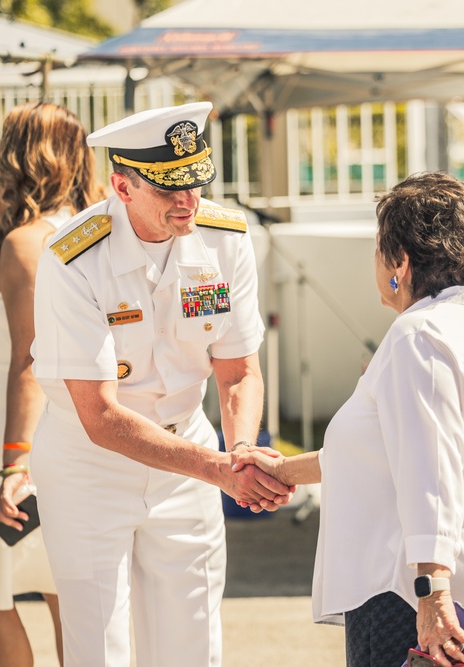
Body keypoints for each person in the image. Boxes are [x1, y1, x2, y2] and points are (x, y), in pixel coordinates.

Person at [29, 101, 293, 666]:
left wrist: (240, 451)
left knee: (192, 642)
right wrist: (218, 469)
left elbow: (239, 369)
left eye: (195, 183)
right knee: (101, 646)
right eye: (170, 189)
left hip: (190, 452)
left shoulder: (225, 239)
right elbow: (99, 416)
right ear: (121, 187)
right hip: (89, 465)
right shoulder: (74, 258)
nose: (188, 202)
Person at [236, 173, 464, 667]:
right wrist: (282, 472)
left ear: (400, 262)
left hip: (417, 596)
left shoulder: (418, 335)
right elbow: (386, 451)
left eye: (379, 249)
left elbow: (428, 469)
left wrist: (432, 591)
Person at [0, 101, 103, 666]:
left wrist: (14, 463)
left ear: (19, 156)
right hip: (69, 431)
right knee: (68, 597)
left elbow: (30, 361)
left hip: (18, 442)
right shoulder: (92, 227)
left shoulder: (26, 242)